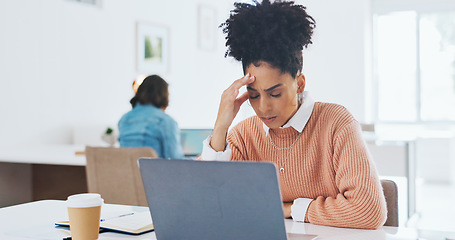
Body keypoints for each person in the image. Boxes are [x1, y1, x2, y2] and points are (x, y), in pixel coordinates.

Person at [200, 0, 387, 229]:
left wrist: (289, 209)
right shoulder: (243, 135)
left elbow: (368, 211)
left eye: (275, 94)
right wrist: (221, 126)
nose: (264, 108)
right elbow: (204, 202)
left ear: (299, 83)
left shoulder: (336, 123)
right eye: (254, 95)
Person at [118, 75, 184, 159]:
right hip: (153, 171)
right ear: (164, 96)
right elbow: (176, 160)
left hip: (128, 171)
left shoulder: (124, 119)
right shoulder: (164, 121)